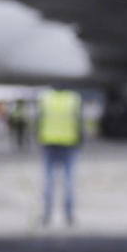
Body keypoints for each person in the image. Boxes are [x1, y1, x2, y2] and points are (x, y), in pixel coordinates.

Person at [37, 84, 83, 225]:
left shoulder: (45, 98)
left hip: (48, 142)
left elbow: (39, 121)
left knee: (48, 180)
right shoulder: (73, 99)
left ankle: (46, 214)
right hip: (69, 142)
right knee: (69, 181)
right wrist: (80, 140)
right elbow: (78, 122)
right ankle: (69, 215)